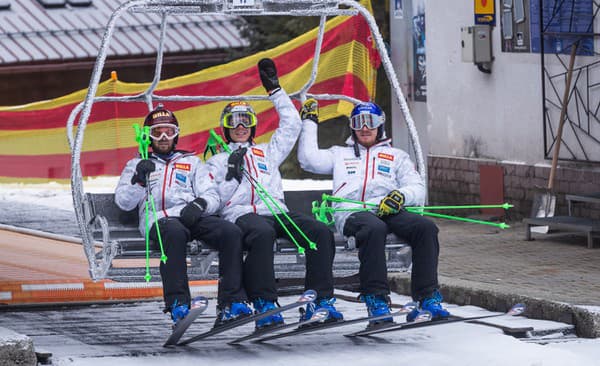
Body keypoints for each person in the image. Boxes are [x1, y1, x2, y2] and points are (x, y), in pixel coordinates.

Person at [206, 58, 343, 329]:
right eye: (234, 121)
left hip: (277, 211)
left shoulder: (267, 151)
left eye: (246, 120)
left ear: (253, 125)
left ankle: (319, 299)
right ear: (226, 127)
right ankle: (265, 302)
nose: (241, 126)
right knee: (262, 234)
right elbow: (216, 199)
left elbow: (291, 125)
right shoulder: (217, 160)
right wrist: (232, 176)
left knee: (319, 232)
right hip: (242, 214)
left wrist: (275, 91)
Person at [297, 99, 450, 324]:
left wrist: (400, 196)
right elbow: (308, 160)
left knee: (425, 228)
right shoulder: (340, 154)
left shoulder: (396, 156)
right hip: (352, 211)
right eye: (359, 122)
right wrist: (309, 122)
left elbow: (417, 187)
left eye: (371, 122)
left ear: (381, 125)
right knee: (373, 228)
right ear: (352, 127)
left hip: (387, 207)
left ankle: (427, 298)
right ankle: (376, 298)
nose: (365, 128)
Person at [115, 105, 252, 327]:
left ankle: (231, 301)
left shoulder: (191, 162)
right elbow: (123, 202)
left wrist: (200, 204)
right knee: (175, 233)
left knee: (230, 232)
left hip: (190, 216)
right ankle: (178, 302)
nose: (162, 137)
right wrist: (139, 180)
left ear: (176, 134)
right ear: (147, 136)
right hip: (159, 219)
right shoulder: (137, 164)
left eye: (168, 132)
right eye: (156, 132)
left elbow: (212, 194)